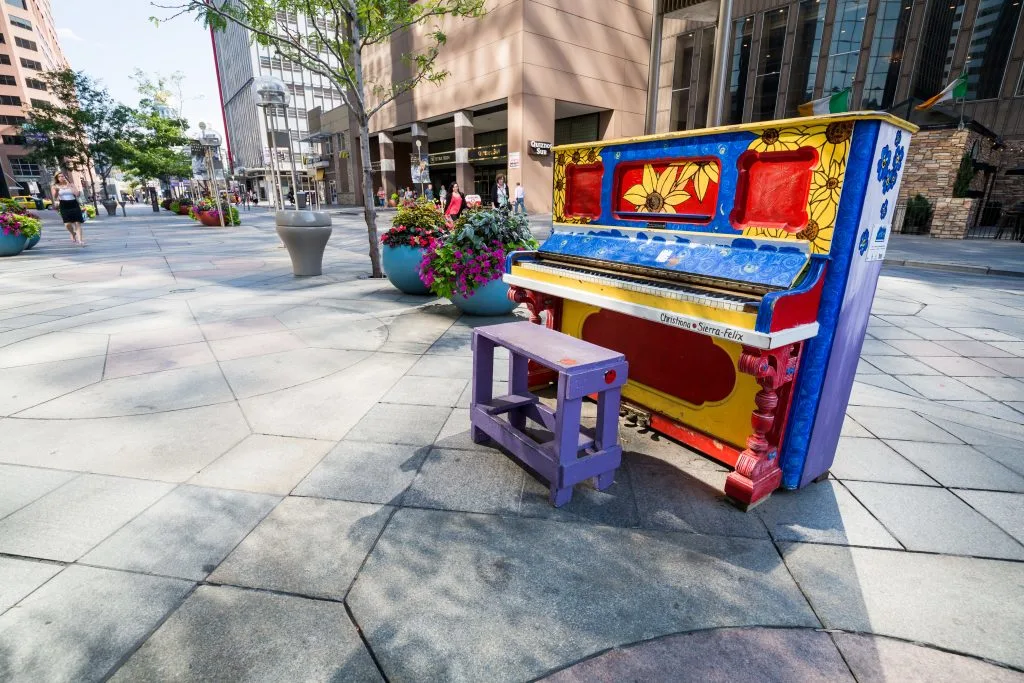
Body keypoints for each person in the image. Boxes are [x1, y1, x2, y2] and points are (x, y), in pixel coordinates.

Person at [52, 172, 85, 246]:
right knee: (67, 224)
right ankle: (73, 233)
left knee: (77, 222)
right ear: (57, 178)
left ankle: (80, 240)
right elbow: (55, 197)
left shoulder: (71, 184)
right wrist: (57, 191)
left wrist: (71, 187)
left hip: (74, 204)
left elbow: (77, 194)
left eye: (63, 176)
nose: (62, 177)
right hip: (64, 205)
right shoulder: (55, 186)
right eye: (60, 176)